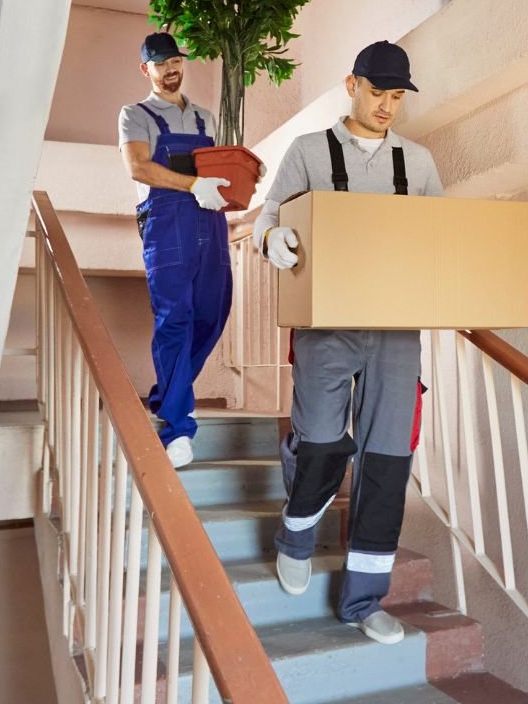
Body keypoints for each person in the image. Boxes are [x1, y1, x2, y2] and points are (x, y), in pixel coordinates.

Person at [252, 40, 445, 646]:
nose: (386, 105)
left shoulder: (418, 163)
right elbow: (267, 217)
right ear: (351, 85)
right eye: (377, 91)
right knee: (321, 441)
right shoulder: (309, 151)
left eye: (397, 96)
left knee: (386, 460)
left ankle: (364, 600)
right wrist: (271, 240)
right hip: (326, 324)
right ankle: (297, 532)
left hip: (396, 330)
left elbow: (440, 237)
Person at [119, 32, 234, 468]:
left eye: (175, 61)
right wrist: (193, 184)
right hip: (168, 224)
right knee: (175, 318)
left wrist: (242, 177)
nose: (171, 69)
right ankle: (178, 425)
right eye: (161, 63)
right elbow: (139, 167)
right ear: (146, 69)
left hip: (210, 219)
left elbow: (220, 170)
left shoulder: (206, 118)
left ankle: (169, 393)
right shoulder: (135, 114)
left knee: (213, 311)